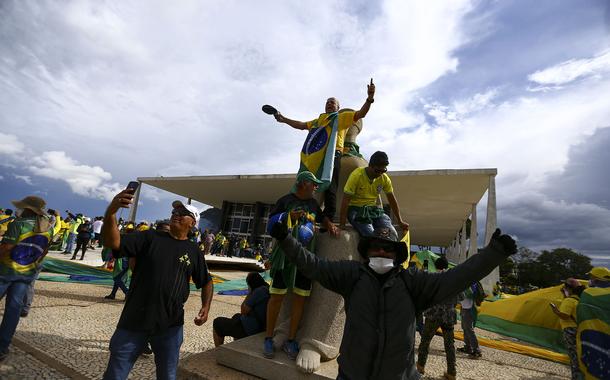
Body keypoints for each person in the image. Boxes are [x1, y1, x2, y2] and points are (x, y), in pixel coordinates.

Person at [267, 216, 516, 379]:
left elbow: (456, 278)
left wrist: (493, 255)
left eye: (388, 249)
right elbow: (313, 265)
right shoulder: (351, 275)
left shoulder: (413, 283)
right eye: (376, 247)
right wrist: (285, 239)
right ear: (366, 252)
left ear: (397, 255)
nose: (381, 252)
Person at [101, 190, 213, 380]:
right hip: (134, 321)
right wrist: (110, 213)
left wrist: (206, 306)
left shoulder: (193, 251)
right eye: (174, 212)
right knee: (115, 374)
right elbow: (113, 242)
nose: (175, 215)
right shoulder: (150, 238)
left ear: (192, 223)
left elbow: (207, 281)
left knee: (167, 375)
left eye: (182, 213)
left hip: (170, 326)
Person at [273, 79, 376, 220]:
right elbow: (301, 125)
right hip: (315, 158)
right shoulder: (318, 121)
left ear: (338, 108)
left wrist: (369, 98)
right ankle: (303, 211)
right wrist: (284, 119)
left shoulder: (340, 118)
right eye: (327, 102)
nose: (329, 104)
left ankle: (328, 218)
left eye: (332, 102)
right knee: (308, 186)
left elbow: (360, 114)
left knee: (330, 187)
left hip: (332, 156)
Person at [264, 171, 339, 360]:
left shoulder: (314, 204)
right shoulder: (284, 200)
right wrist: (288, 216)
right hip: (285, 256)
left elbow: (321, 219)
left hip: (305, 257)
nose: (316, 187)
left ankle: (291, 340)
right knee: (276, 297)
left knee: (300, 298)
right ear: (303, 183)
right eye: (313, 184)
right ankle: (268, 338)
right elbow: (270, 225)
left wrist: (329, 224)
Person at [0, 196, 53, 362]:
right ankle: (2, 348)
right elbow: (44, 251)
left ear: (28, 209)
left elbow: (7, 247)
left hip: (6, 271)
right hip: (25, 274)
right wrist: (32, 265)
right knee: (13, 310)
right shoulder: (48, 228)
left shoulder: (18, 224)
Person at [339, 151, 409, 238]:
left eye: (383, 170)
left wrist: (400, 221)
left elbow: (392, 200)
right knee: (372, 236)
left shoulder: (384, 178)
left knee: (391, 234)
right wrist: (342, 224)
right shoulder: (357, 175)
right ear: (370, 166)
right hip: (356, 210)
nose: (380, 174)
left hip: (373, 210)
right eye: (377, 170)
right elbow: (346, 200)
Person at [416, 256, 458, 380]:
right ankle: (451, 372)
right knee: (449, 345)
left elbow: (425, 294)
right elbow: (460, 296)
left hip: (433, 315)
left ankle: (420, 367)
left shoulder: (433, 278)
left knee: (425, 341)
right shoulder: (454, 280)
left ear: (436, 266)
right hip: (449, 316)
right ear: (446, 266)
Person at [213, 272, 270, 346]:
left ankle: (218, 351)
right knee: (236, 316)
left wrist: (250, 293)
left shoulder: (258, 292)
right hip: (260, 326)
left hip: (250, 329)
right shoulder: (266, 288)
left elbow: (243, 310)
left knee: (217, 322)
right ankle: (238, 345)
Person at [550, 278, 585, 380]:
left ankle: (576, 377)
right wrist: (565, 294)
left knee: (574, 356)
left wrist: (555, 311)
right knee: (578, 354)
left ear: (569, 289)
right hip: (578, 329)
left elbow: (565, 315)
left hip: (570, 330)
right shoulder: (578, 300)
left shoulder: (569, 301)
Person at [458, 282, 483, 358]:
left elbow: (468, 295)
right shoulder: (467, 280)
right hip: (465, 307)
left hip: (469, 308)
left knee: (469, 329)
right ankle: (468, 347)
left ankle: (477, 350)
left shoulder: (470, 281)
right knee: (465, 328)